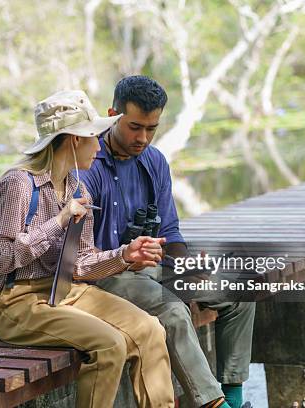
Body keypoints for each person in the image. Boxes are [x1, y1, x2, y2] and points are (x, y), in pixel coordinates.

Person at [0, 89, 175, 408]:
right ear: (74, 139)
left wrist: (125, 255)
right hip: (15, 302)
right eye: (93, 137)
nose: (99, 145)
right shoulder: (17, 184)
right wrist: (57, 221)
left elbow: (82, 264)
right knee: (110, 344)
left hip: (66, 291)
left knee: (150, 328)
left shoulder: (77, 187)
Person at [80, 76, 256, 408]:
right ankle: (214, 405)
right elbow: (81, 258)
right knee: (174, 312)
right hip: (104, 275)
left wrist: (188, 268)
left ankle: (234, 396)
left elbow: (171, 233)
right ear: (111, 114)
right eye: (134, 127)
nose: (142, 138)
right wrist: (127, 257)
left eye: (151, 128)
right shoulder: (88, 165)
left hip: (153, 269)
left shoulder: (154, 161)